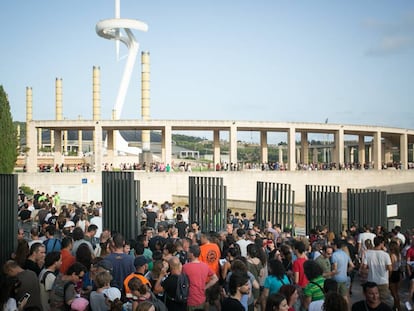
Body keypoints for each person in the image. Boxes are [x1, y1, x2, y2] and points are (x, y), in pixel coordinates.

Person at [182, 244, 218, 310]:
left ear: (192, 254)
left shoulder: (185, 267)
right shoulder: (205, 266)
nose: (187, 253)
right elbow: (215, 278)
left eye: (188, 252)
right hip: (202, 298)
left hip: (191, 299)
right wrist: (205, 287)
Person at [361, 236, 393, 306]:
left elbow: (364, 267)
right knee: (383, 302)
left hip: (371, 280)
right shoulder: (385, 255)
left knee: (371, 302)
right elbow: (390, 268)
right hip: (383, 281)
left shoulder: (368, 253)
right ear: (382, 243)